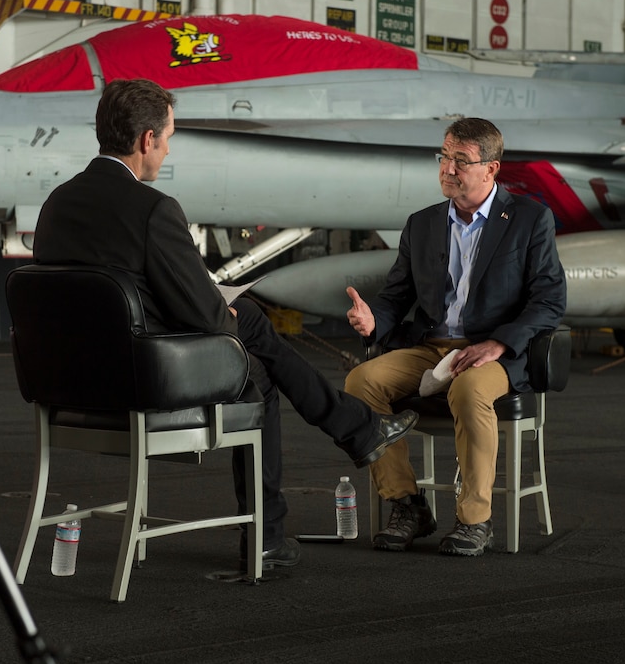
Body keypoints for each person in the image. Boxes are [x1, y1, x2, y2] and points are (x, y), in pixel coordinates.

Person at [32, 78, 419, 569]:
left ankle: (348, 439)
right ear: (146, 140)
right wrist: (222, 310)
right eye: (168, 138)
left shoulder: (56, 206)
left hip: (67, 387)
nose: (167, 150)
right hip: (142, 386)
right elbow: (206, 315)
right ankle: (288, 510)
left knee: (253, 361)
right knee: (252, 334)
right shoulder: (153, 210)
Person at [343, 117, 566, 557]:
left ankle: (474, 521)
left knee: (467, 390)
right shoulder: (422, 223)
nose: (448, 168)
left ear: (492, 168)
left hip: (495, 354)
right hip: (430, 347)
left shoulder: (529, 219)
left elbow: (549, 301)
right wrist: (374, 320)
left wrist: (498, 343)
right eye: (444, 157)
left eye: (460, 161)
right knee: (359, 383)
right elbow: (395, 298)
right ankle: (407, 504)